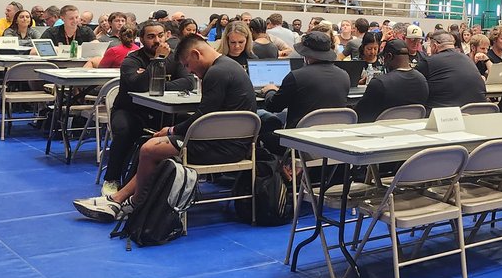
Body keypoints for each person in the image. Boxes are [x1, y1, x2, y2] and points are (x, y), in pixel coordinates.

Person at [74, 35, 255, 220]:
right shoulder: (230, 66)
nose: (189, 70)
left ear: (196, 54)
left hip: (221, 147)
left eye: (186, 64)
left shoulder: (216, 73)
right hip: (236, 144)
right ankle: (119, 199)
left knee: (149, 148)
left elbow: (203, 117)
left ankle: (133, 204)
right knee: (153, 146)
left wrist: (171, 130)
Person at [75, 21, 193, 202]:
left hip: (161, 112)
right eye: (151, 36)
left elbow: (188, 82)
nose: (157, 40)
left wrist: (156, 83)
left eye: (160, 35)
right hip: (130, 110)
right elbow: (137, 85)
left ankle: (174, 178)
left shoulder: (174, 59)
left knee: (188, 123)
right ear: (142, 39)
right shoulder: (132, 60)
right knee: (124, 131)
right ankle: (112, 178)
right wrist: (157, 61)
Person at [258, 30, 350, 154]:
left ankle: (274, 169)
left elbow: (274, 106)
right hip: (332, 143)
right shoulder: (344, 75)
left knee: (265, 129)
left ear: (306, 55)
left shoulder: (296, 76)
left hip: (298, 143)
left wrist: (270, 91)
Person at [354, 40, 429, 122]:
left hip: (378, 131)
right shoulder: (422, 80)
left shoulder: (380, 83)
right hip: (411, 129)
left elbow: (359, 115)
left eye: (384, 58)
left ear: (389, 57)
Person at [423, 30, 486, 109]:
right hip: (478, 112)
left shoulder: (429, 62)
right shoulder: (467, 59)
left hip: (445, 116)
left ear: (435, 46)